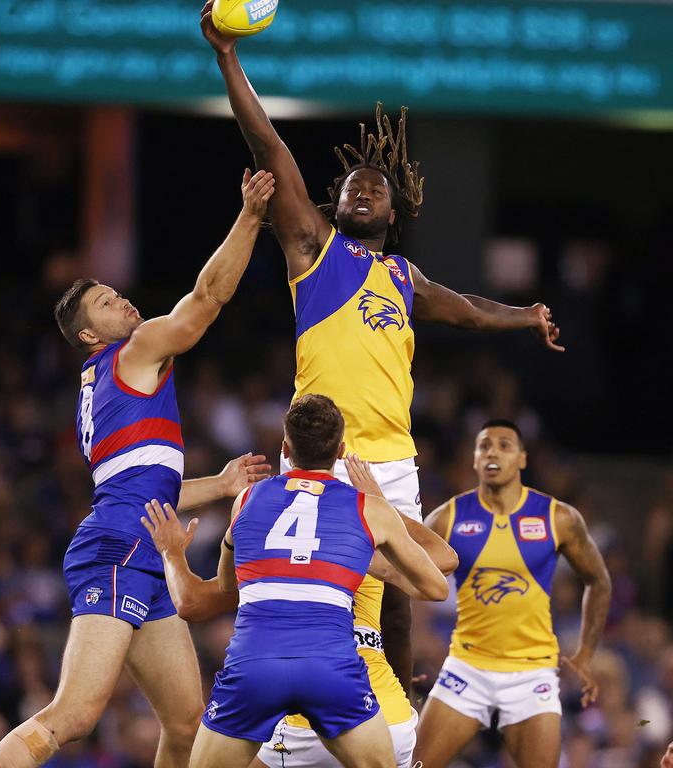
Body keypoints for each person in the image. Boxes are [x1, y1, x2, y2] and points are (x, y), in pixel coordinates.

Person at [200, 0, 564, 691]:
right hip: (319, 448)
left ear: (393, 215)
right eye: (352, 187)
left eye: (376, 190)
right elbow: (269, 147)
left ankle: (396, 715)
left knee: (399, 600)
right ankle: (274, 700)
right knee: (297, 585)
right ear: (333, 205)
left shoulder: (403, 275)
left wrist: (527, 314)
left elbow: (466, 311)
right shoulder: (314, 248)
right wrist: (226, 54)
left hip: (391, 457)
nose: (363, 191)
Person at [0, 169, 275, 768]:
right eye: (107, 304)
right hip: (119, 549)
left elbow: (141, 490)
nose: (123, 300)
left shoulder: (103, 387)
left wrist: (218, 486)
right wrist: (249, 217)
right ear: (90, 333)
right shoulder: (134, 352)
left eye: (116, 292)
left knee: (188, 725)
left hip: (133, 542)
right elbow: (205, 302)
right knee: (76, 716)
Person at [142, 393, 450, 768]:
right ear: (340, 451)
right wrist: (375, 555)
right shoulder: (368, 509)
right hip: (331, 669)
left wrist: (173, 553)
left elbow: (224, 585)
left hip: (255, 667)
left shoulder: (247, 499)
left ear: (285, 447)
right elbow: (437, 587)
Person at [414, 419, 612, 768]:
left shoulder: (558, 517)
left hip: (532, 671)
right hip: (467, 667)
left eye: (504, 445)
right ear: (474, 460)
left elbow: (598, 581)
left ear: (522, 458)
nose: (493, 451)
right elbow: (403, 572)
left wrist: (585, 653)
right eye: (484, 445)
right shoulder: (448, 517)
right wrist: (413, 643)